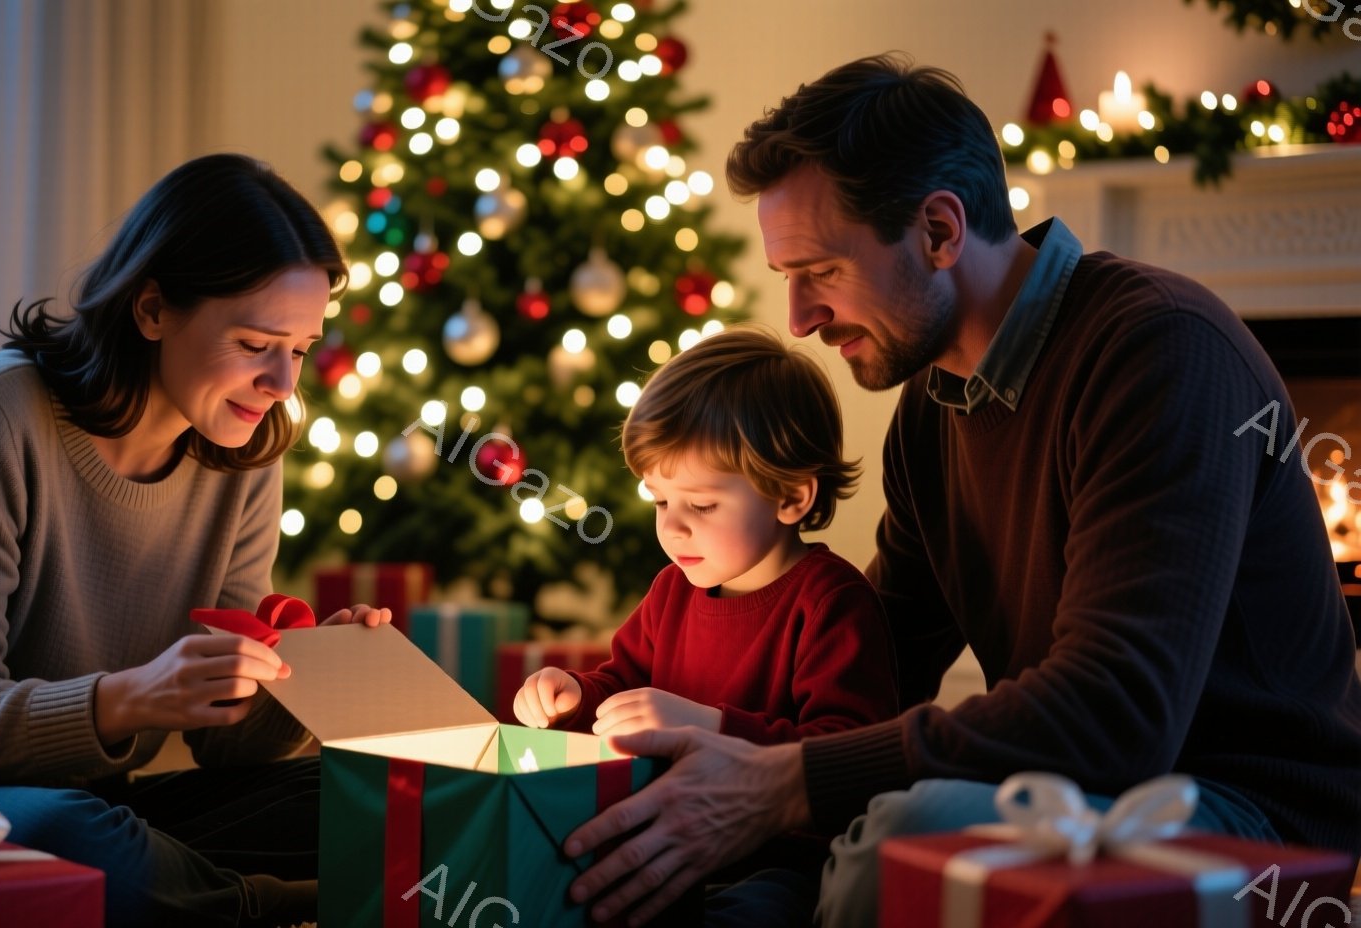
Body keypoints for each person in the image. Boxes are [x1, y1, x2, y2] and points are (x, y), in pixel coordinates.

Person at [558, 55, 1361, 928]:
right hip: (1072, 793)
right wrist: (701, 740)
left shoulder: (1160, 351)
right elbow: (881, 661)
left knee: (909, 826)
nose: (798, 319)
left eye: (820, 271)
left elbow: (1117, 716)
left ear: (939, 231)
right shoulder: (934, 408)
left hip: (1242, 819)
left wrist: (786, 782)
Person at [0, 154, 394, 928]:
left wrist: (301, 677)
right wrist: (134, 695)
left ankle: (172, 892)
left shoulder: (247, 450)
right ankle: (265, 908)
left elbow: (226, 745)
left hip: (69, 796)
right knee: (75, 838)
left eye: (300, 350)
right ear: (151, 309)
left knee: (374, 798)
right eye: (257, 343)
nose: (283, 384)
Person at [513, 324, 898, 748]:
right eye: (661, 501)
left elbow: (850, 747)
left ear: (790, 497)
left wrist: (710, 726)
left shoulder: (830, 603)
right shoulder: (671, 592)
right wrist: (575, 699)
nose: (671, 527)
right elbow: (622, 687)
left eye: (701, 505)